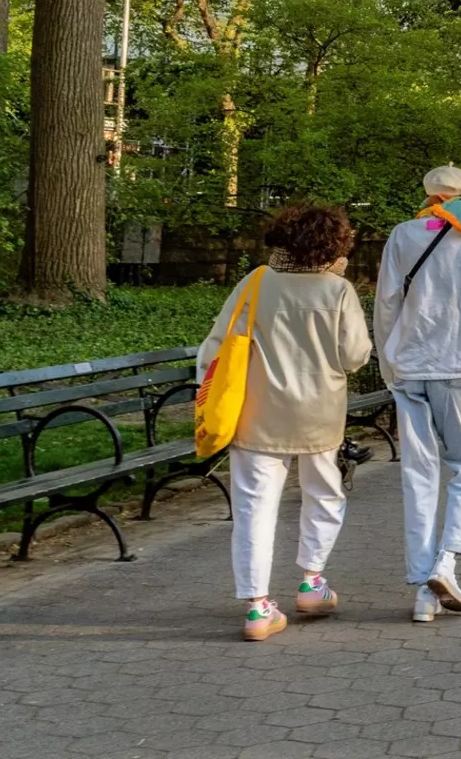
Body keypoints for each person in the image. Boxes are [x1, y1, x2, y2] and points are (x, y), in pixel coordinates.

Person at [197, 202, 371, 642]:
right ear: (335, 245)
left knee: (254, 508)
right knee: (323, 495)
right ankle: (312, 583)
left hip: (258, 414)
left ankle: (258, 608)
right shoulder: (337, 291)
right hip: (320, 414)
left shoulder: (254, 284)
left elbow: (215, 347)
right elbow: (355, 357)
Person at [374, 164, 461, 623]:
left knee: (418, 472)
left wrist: (388, 363)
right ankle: (446, 562)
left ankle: (423, 591)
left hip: (408, 364)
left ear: (429, 194)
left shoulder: (402, 233)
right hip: (457, 362)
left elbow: (386, 303)